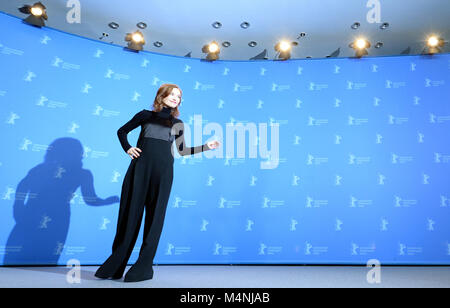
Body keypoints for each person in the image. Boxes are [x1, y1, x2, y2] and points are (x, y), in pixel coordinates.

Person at [95, 83, 220, 282]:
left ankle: (144, 268)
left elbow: (182, 150)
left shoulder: (178, 123)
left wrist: (207, 146)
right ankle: (116, 265)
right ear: (161, 96)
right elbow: (121, 131)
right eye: (171, 94)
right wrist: (127, 148)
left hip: (163, 175)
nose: (175, 98)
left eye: (178, 96)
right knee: (129, 217)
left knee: (155, 221)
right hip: (139, 171)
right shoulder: (145, 115)